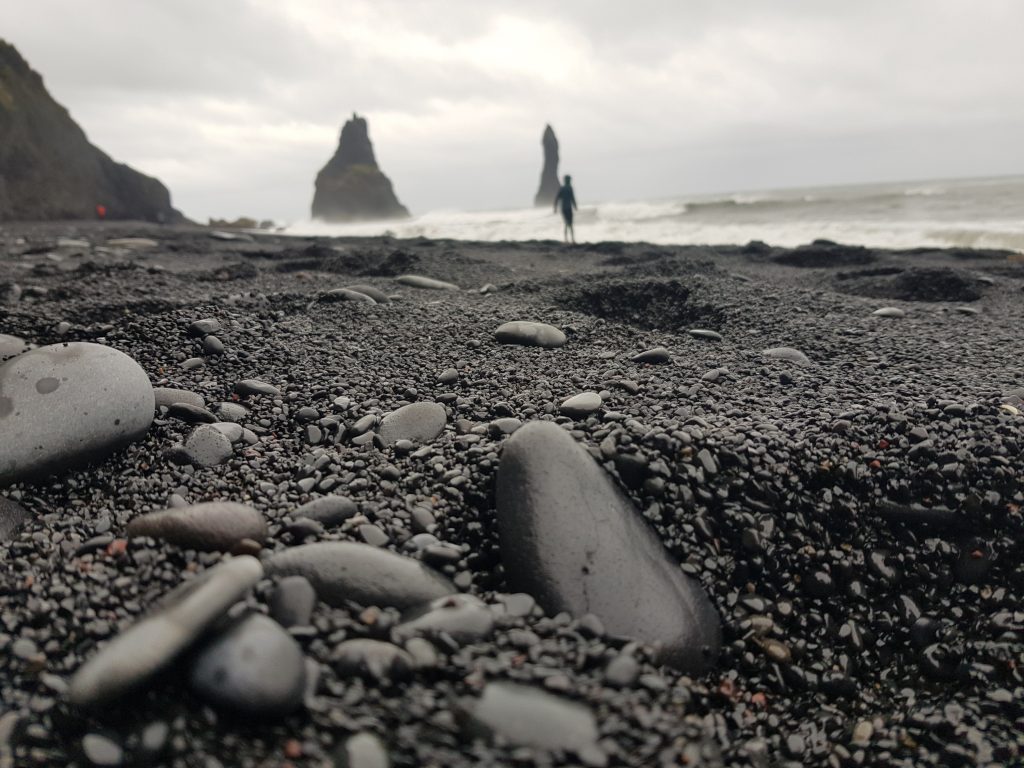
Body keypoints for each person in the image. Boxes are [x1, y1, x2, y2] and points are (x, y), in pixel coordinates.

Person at [553, 174, 577, 244]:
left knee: (569, 224)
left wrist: (575, 205)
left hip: (566, 208)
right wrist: (575, 205)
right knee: (568, 224)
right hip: (566, 208)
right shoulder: (565, 188)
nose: (570, 181)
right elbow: (558, 198)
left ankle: (570, 239)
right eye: (569, 179)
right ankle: (568, 239)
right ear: (567, 180)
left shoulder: (567, 188)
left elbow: (557, 199)